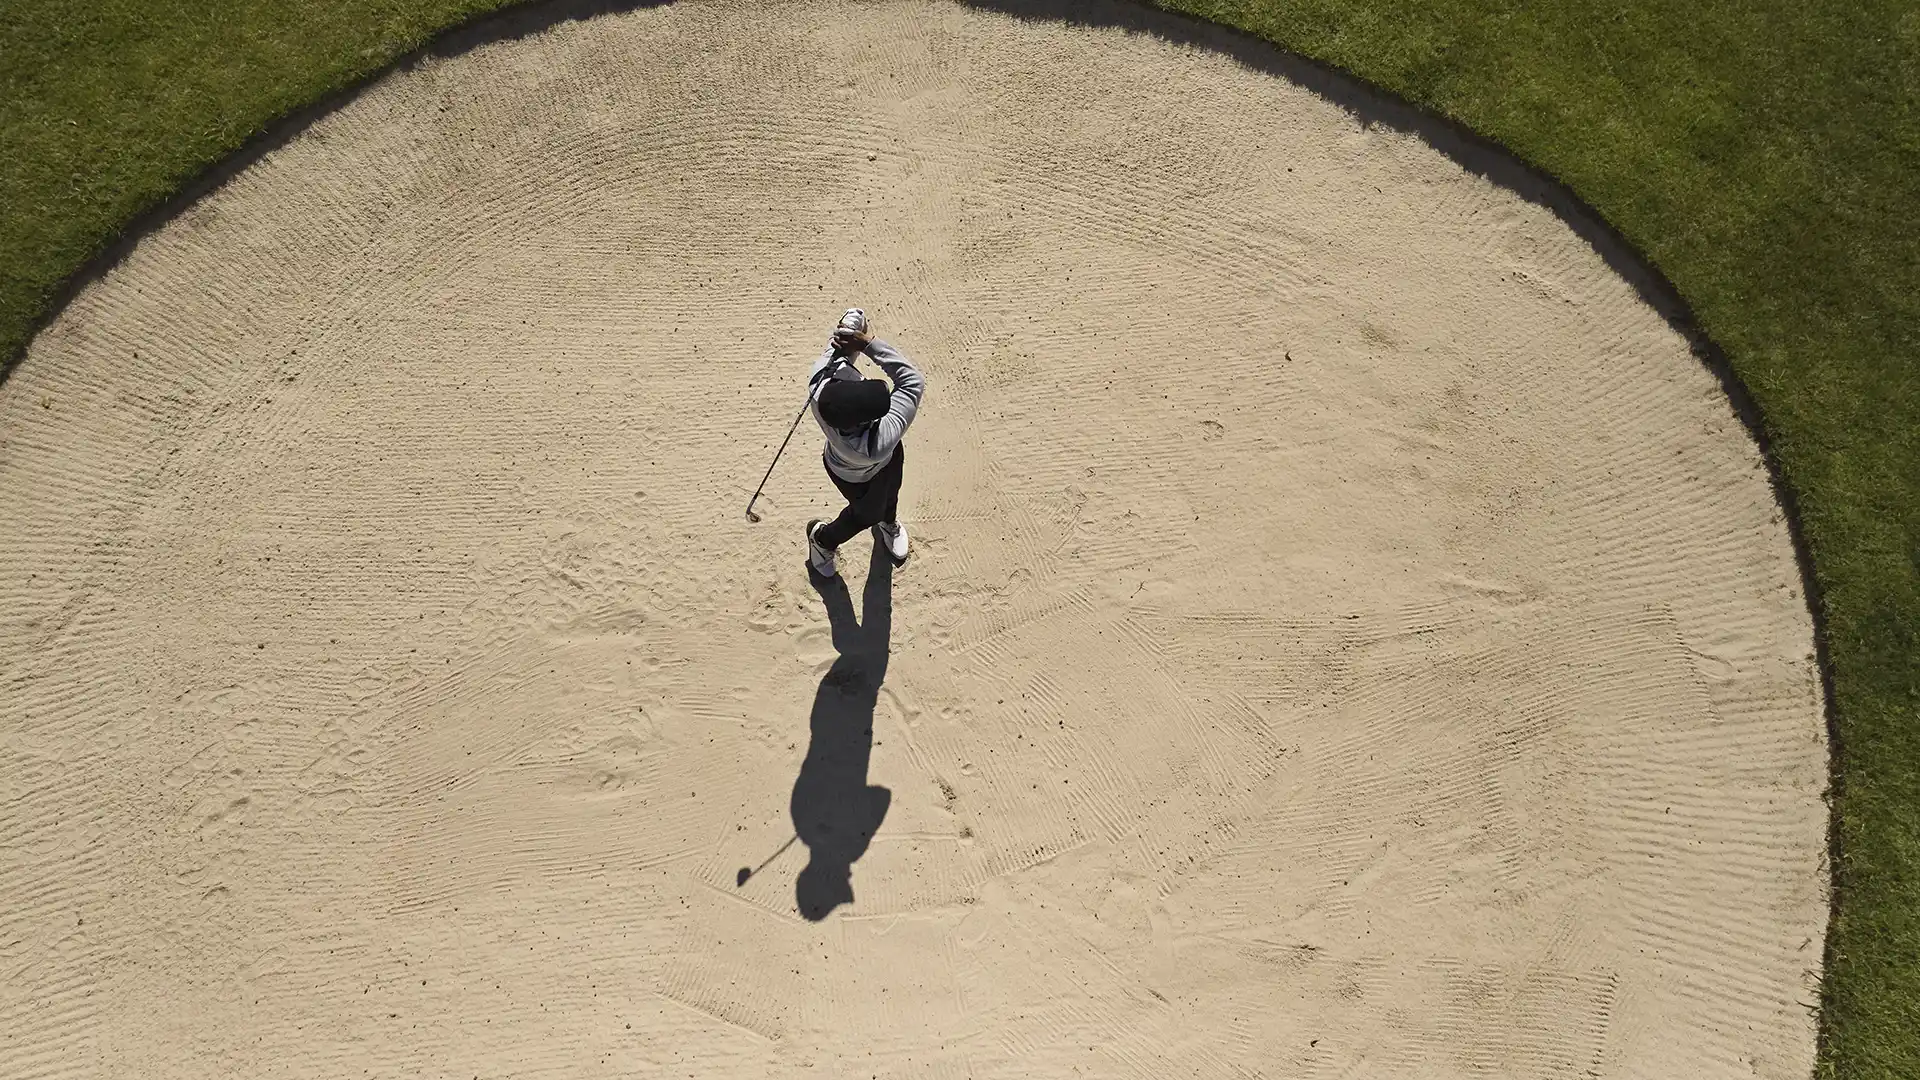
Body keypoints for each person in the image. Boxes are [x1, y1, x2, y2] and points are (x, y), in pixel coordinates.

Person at [805, 308, 924, 577]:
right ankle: (822, 540)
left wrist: (851, 327)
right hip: (855, 476)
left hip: (861, 460)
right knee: (866, 514)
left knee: (892, 492)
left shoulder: (820, 379)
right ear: (863, 422)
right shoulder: (877, 444)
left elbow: (848, 327)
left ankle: (889, 522)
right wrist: (868, 344)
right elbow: (912, 382)